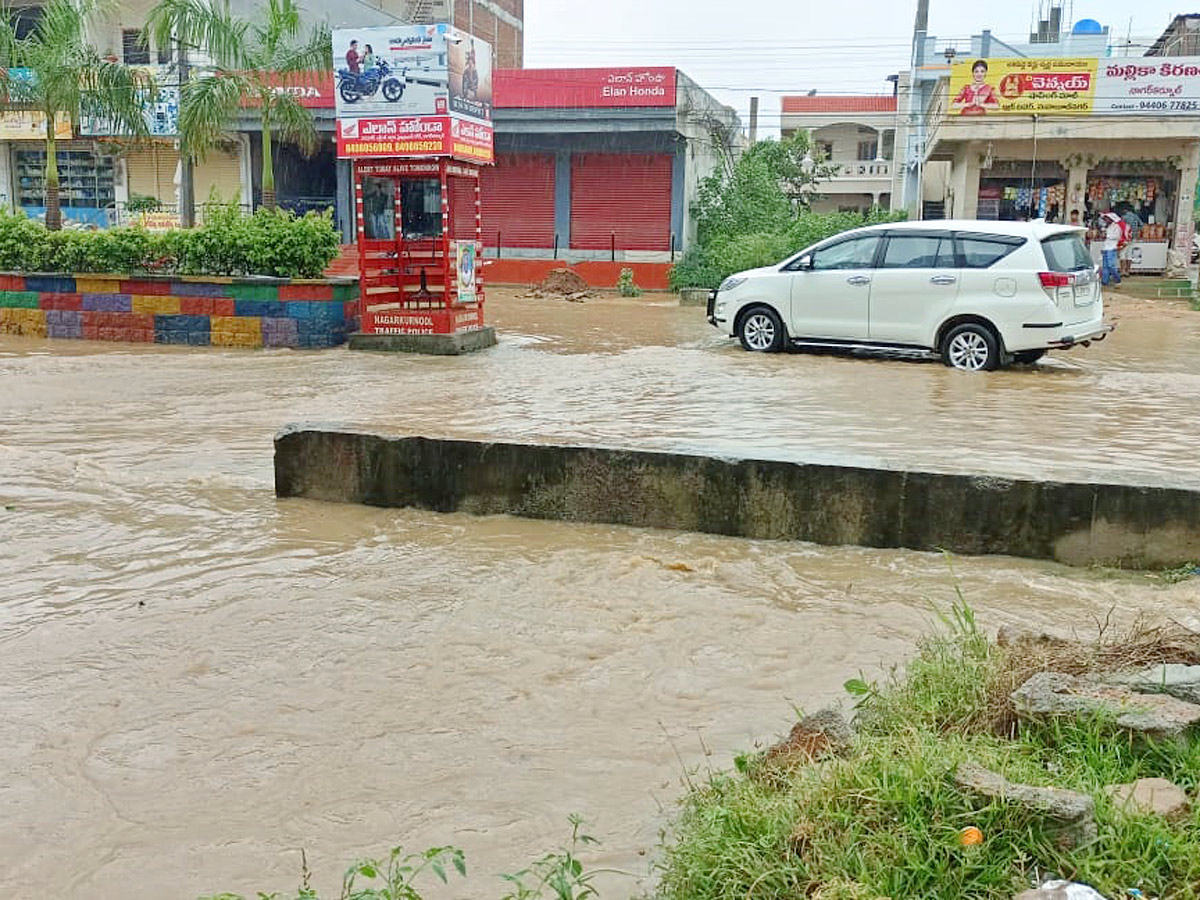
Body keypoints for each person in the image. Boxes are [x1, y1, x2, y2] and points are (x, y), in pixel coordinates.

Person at [1100, 211, 1122, 286]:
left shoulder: (1116, 227)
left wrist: (1107, 235)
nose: (1105, 220)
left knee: (1110, 266)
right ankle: (1104, 282)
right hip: (1106, 247)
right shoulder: (1106, 227)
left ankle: (1117, 279)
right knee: (1105, 266)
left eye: (1107, 218)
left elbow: (1117, 236)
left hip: (1112, 248)